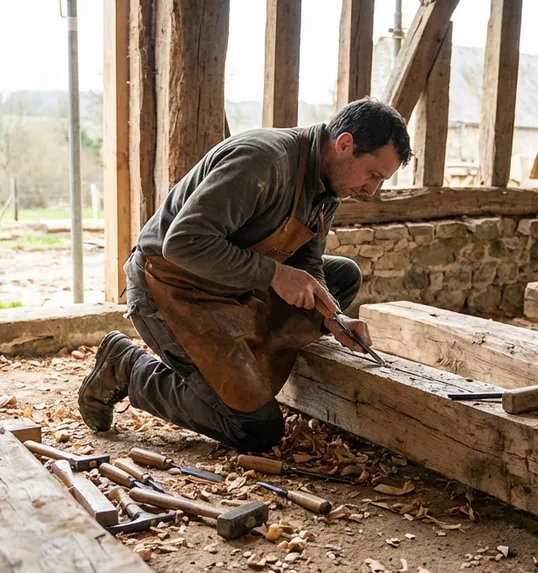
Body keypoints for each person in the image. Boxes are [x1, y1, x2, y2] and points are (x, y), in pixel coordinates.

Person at [77, 97, 411, 452]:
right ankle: (127, 367)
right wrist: (275, 275)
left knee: (343, 275)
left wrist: (334, 316)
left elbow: (309, 262)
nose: (371, 190)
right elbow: (182, 244)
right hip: (171, 284)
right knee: (254, 428)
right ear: (344, 145)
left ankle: (247, 367)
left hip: (231, 284)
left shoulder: (328, 185)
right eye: (373, 175)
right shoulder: (263, 161)